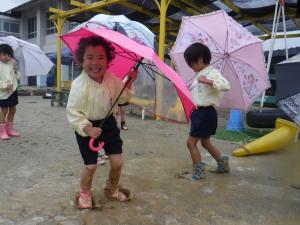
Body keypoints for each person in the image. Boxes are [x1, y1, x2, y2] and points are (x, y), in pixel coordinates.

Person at [66, 36, 137, 209]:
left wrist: (130, 82)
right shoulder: (78, 84)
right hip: (87, 128)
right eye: (89, 58)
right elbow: (72, 111)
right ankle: (84, 192)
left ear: (108, 60)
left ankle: (112, 187)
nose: (95, 62)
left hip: (109, 125)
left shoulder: (112, 79)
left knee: (118, 163)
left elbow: (123, 99)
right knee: (90, 166)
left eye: (100, 57)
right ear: (81, 60)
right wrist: (87, 128)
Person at [183, 42, 231, 180]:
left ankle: (199, 172)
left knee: (190, 143)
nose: (190, 66)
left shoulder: (212, 72)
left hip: (205, 112)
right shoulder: (199, 75)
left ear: (200, 59)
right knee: (205, 142)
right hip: (199, 113)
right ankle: (223, 163)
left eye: (191, 63)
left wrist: (208, 81)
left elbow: (226, 85)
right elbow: (197, 94)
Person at [0, 44, 20, 140]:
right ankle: (2, 131)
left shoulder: (12, 64)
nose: (7, 57)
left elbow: (18, 77)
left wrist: (16, 71)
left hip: (13, 91)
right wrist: (5, 86)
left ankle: (10, 130)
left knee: (13, 110)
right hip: (3, 93)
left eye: (9, 55)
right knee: (4, 111)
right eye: (4, 55)